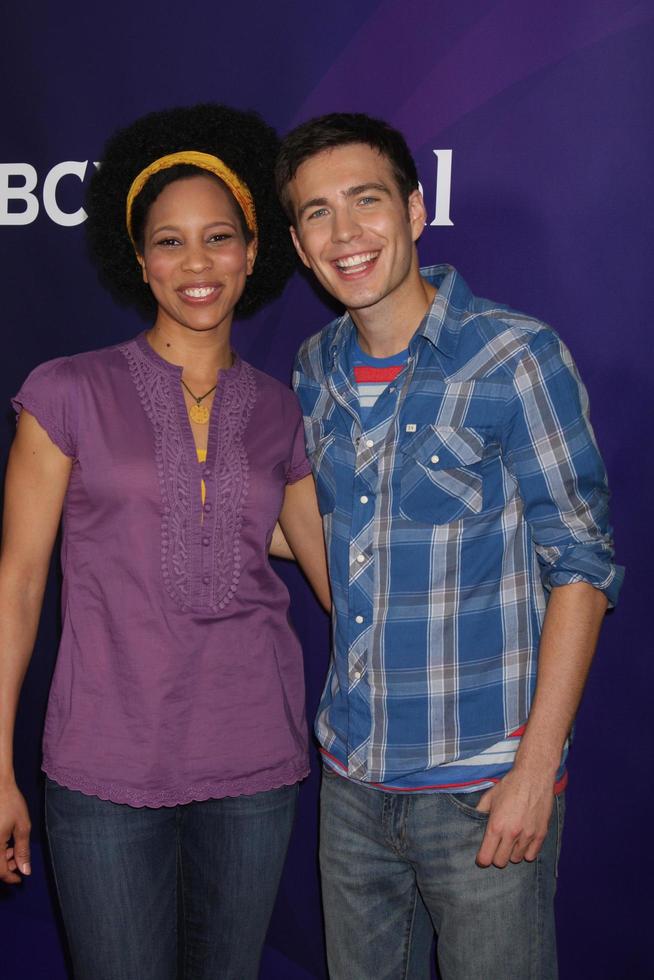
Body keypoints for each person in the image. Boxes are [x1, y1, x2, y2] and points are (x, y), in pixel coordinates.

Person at [275, 112, 623, 980]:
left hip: (483, 792)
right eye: (317, 213)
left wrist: (535, 769)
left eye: (365, 201)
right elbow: (324, 531)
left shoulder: (514, 356)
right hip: (352, 785)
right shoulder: (314, 368)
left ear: (416, 209)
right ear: (296, 241)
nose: (345, 233)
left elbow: (581, 564)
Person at [0, 103, 328, 980]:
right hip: (103, 763)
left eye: (218, 237)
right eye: (170, 241)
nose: (197, 263)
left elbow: (340, 574)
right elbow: (19, 584)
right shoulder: (65, 392)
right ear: (140, 260)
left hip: (255, 759)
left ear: (253, 253)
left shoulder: (281, 410)